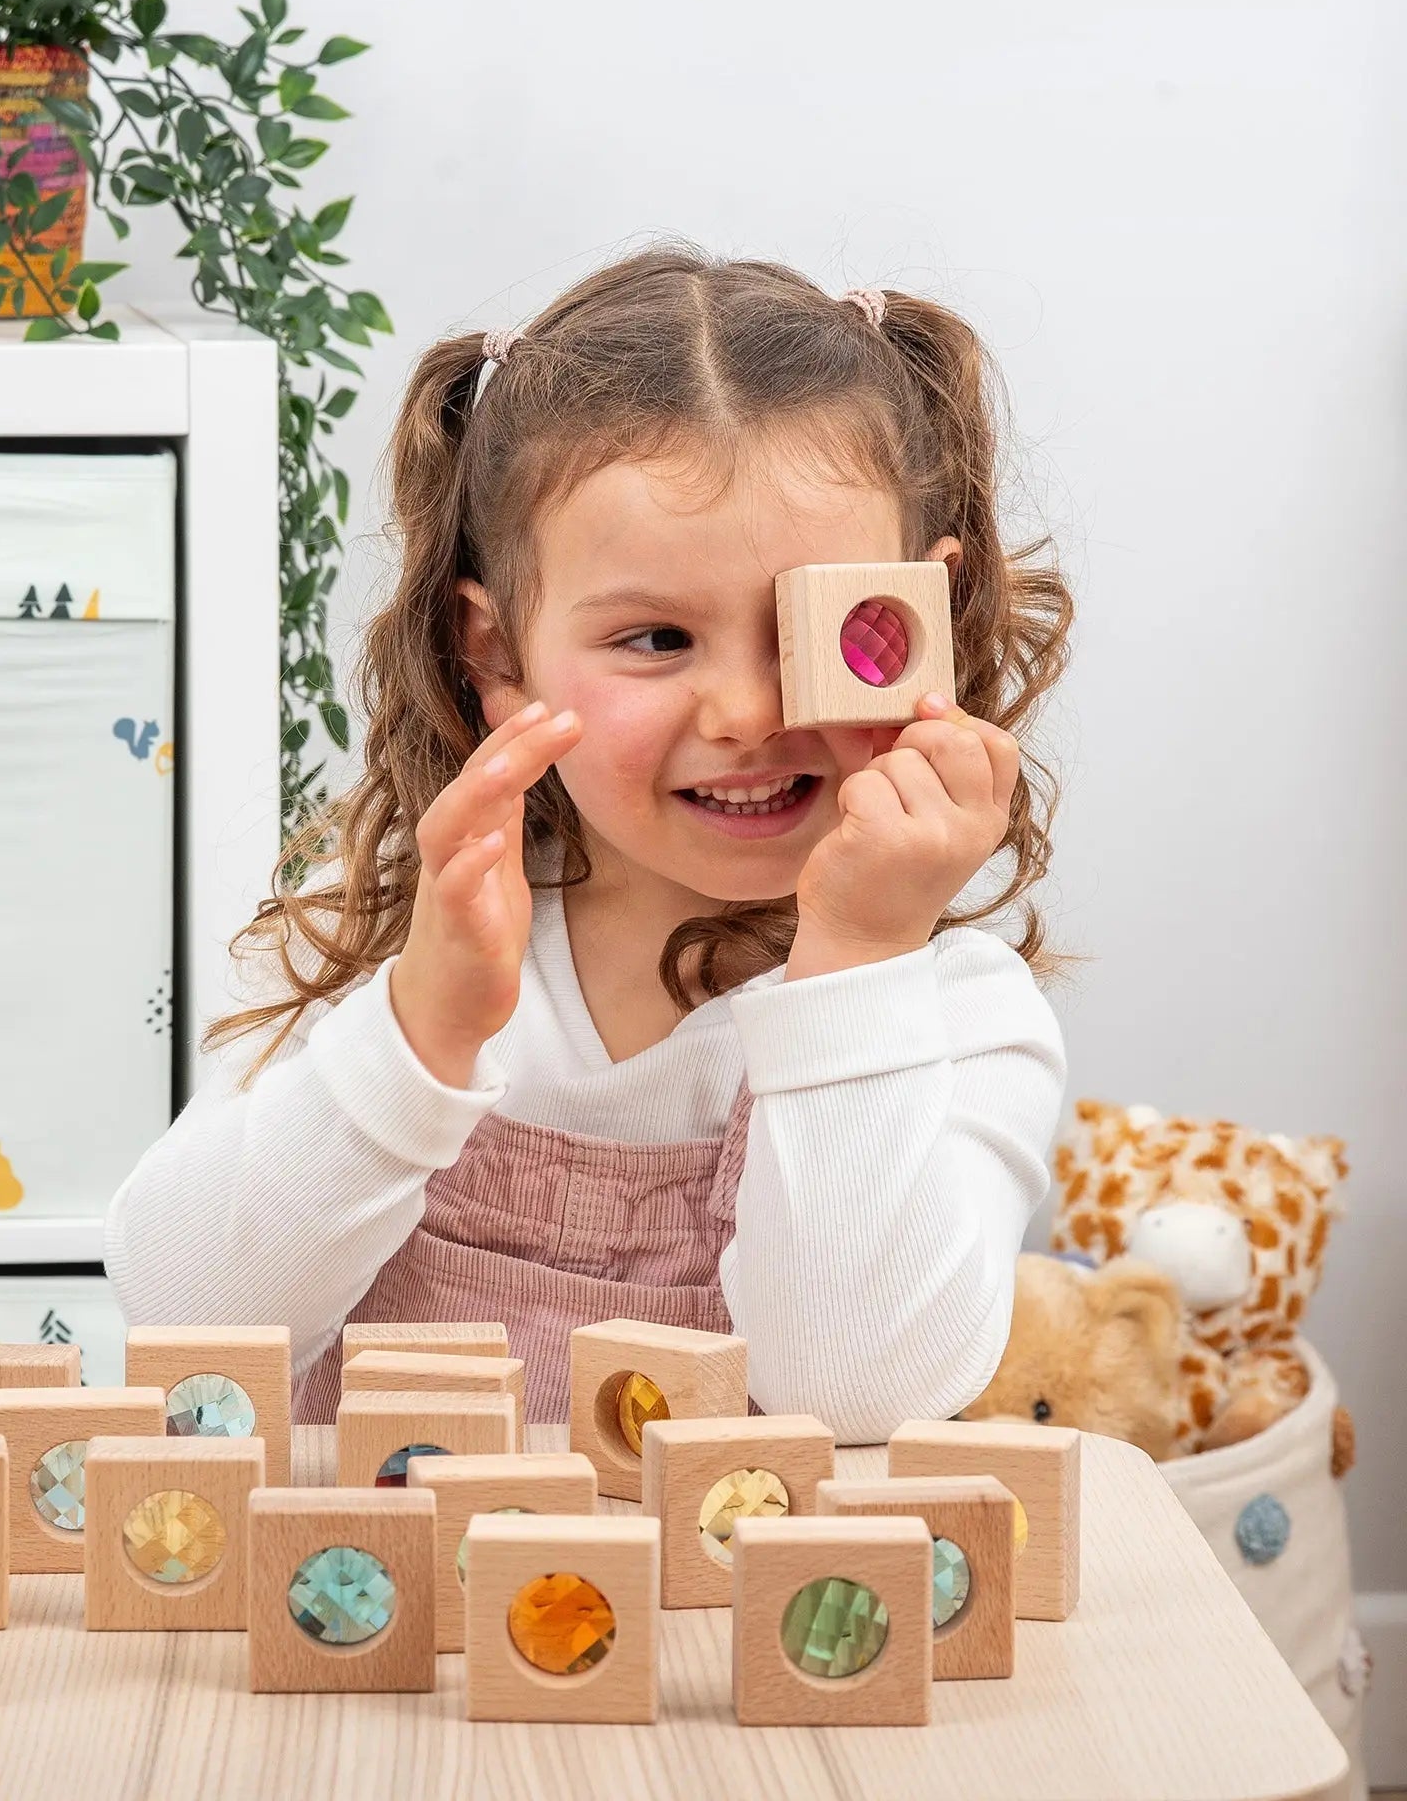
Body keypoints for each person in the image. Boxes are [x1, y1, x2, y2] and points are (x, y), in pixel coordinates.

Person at [104, 242, 1074, 1442]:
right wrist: (424, 1028)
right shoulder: (387, 934)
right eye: (658, 640)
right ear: (497, 656)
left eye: (840, 632)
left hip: (715, 1627)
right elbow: (188, 1332)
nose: (749, 715)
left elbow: (856, 1396)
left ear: (937, 618)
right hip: (383, 1622)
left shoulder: (951, 1014)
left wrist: (858, 956)